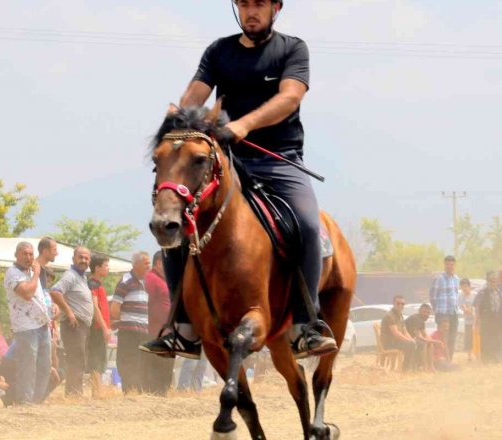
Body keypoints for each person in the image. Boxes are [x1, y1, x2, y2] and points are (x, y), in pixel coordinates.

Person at [141, 0, 337, 360]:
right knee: (178, 221)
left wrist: (244, 124)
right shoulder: (219, 51)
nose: (251, 11)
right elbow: (194, 95)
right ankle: (181, 327)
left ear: (275, 8)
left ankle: (305, 326)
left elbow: (290, 97)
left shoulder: (292, 49)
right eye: (244, 3)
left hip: (280, 161)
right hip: (225, 161)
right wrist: (183, 120)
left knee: (308, 225)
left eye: (259, 4)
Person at [3, 242, 51, 404]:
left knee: (44, 367)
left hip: (42, 325)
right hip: (26, 328)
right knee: (28, 367)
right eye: (25, 254)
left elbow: (39, 296)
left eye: (31, 254)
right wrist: (36, 274)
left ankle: (37, 401)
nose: (29, 258)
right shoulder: (13, 273)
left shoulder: (31, 272)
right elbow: (27, 293)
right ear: (16, 255)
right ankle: (25, 402)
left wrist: (52, 308)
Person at [50, 246, 100, 396]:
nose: (83, 260)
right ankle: (73, 394)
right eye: (80, 257)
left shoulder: (82, 277)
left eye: (86, 258)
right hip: (74, 325)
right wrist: (69, 312)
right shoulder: (71, 275)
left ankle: (75, 393)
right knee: (76, 360)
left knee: (79, 360)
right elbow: (55, 291)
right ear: (73, 259)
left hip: (82, 326)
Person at [111, 251, 150, 394]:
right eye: (146, 263)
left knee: (142, 364)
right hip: (129, 332)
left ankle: (139, 393)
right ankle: (129, 393)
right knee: (128, 363)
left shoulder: (146, 282)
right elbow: (114, 309)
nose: (149, 266)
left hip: (144, 331)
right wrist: (129, 321)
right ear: (136, 264)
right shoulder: (125, 281)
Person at [144, 251, 174, 395]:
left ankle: (163, 392)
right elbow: (145, 302)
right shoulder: (151, 278)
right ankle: (155, 392)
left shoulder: (165, 279)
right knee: (158, 363)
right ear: (158, 263)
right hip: (156, 330)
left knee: (167, 363)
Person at [87, 253, 112, 398]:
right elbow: (95, 307)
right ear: (97, 268)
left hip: (102, 328)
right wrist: (103, 327)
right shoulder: (92, 284)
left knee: (101, 359)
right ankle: (96, 392)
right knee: (96, 360)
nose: (108, 269)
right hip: (96, 328)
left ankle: (98, 390)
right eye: (106, 266)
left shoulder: (99, 284)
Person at [429, 255, 460, 361]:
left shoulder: (456, 279)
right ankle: (441, 360)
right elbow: (432, 296)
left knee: (452, 337)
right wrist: (436, 309)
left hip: (454, 313)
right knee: (443, 337)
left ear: (454, 265)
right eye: (447, 264)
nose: (449, 266)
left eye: (452, 264)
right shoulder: (439, 279)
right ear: (444, 265)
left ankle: (449, 359)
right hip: (442, 313)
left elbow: (455, 295)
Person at [474, 271, 502, 364]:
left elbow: (501, 307)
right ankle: (486, 360)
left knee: (496, 339)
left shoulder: (499, 292)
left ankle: (496, 358)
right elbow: (477, 308)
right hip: (486, 320)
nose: (493, 283)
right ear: (487, 282)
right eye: (491, 281)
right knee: (486, 340)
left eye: (495, 281)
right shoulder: (482, 293)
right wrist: (477, 321)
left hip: (497, 320)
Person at [380, 295, 416, 371]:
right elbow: (396, 333)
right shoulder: (390, 316)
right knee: (411, 345)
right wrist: (408, 341)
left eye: (402, 304)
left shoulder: (400, 315)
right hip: (389, 343)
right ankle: (406, 369)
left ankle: (415, 367)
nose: (400, 305)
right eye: (398, 303)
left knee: (415, 343)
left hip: (396, 341)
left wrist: (412, 340)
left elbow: (404, 331)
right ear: (393, 303)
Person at [404, 303, 439, 371]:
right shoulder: (416, 318)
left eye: (428, 313)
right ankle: (424, 366)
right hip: (407, 340)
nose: (426, 314)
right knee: (424, 343)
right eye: (424, 312)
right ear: (419, 311)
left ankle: (431, 366)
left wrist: (433, 341)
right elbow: (419, 337)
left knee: (430, 344)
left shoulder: (421, 320)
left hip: (413, 340)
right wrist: (435, 341)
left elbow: (425, 334)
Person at [459, 278, 476, 362]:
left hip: (476, 320)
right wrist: (468, 310)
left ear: (469, 286)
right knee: (469, 338)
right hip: (467, 321)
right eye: (462, 287)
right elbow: (463, 308)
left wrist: (470, 311)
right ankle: (469, 356)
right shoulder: (461, 296)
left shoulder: (474, 295)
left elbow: (476, 308)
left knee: (476, 337)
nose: (464, 288)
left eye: (465, 286)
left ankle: (478, 354)